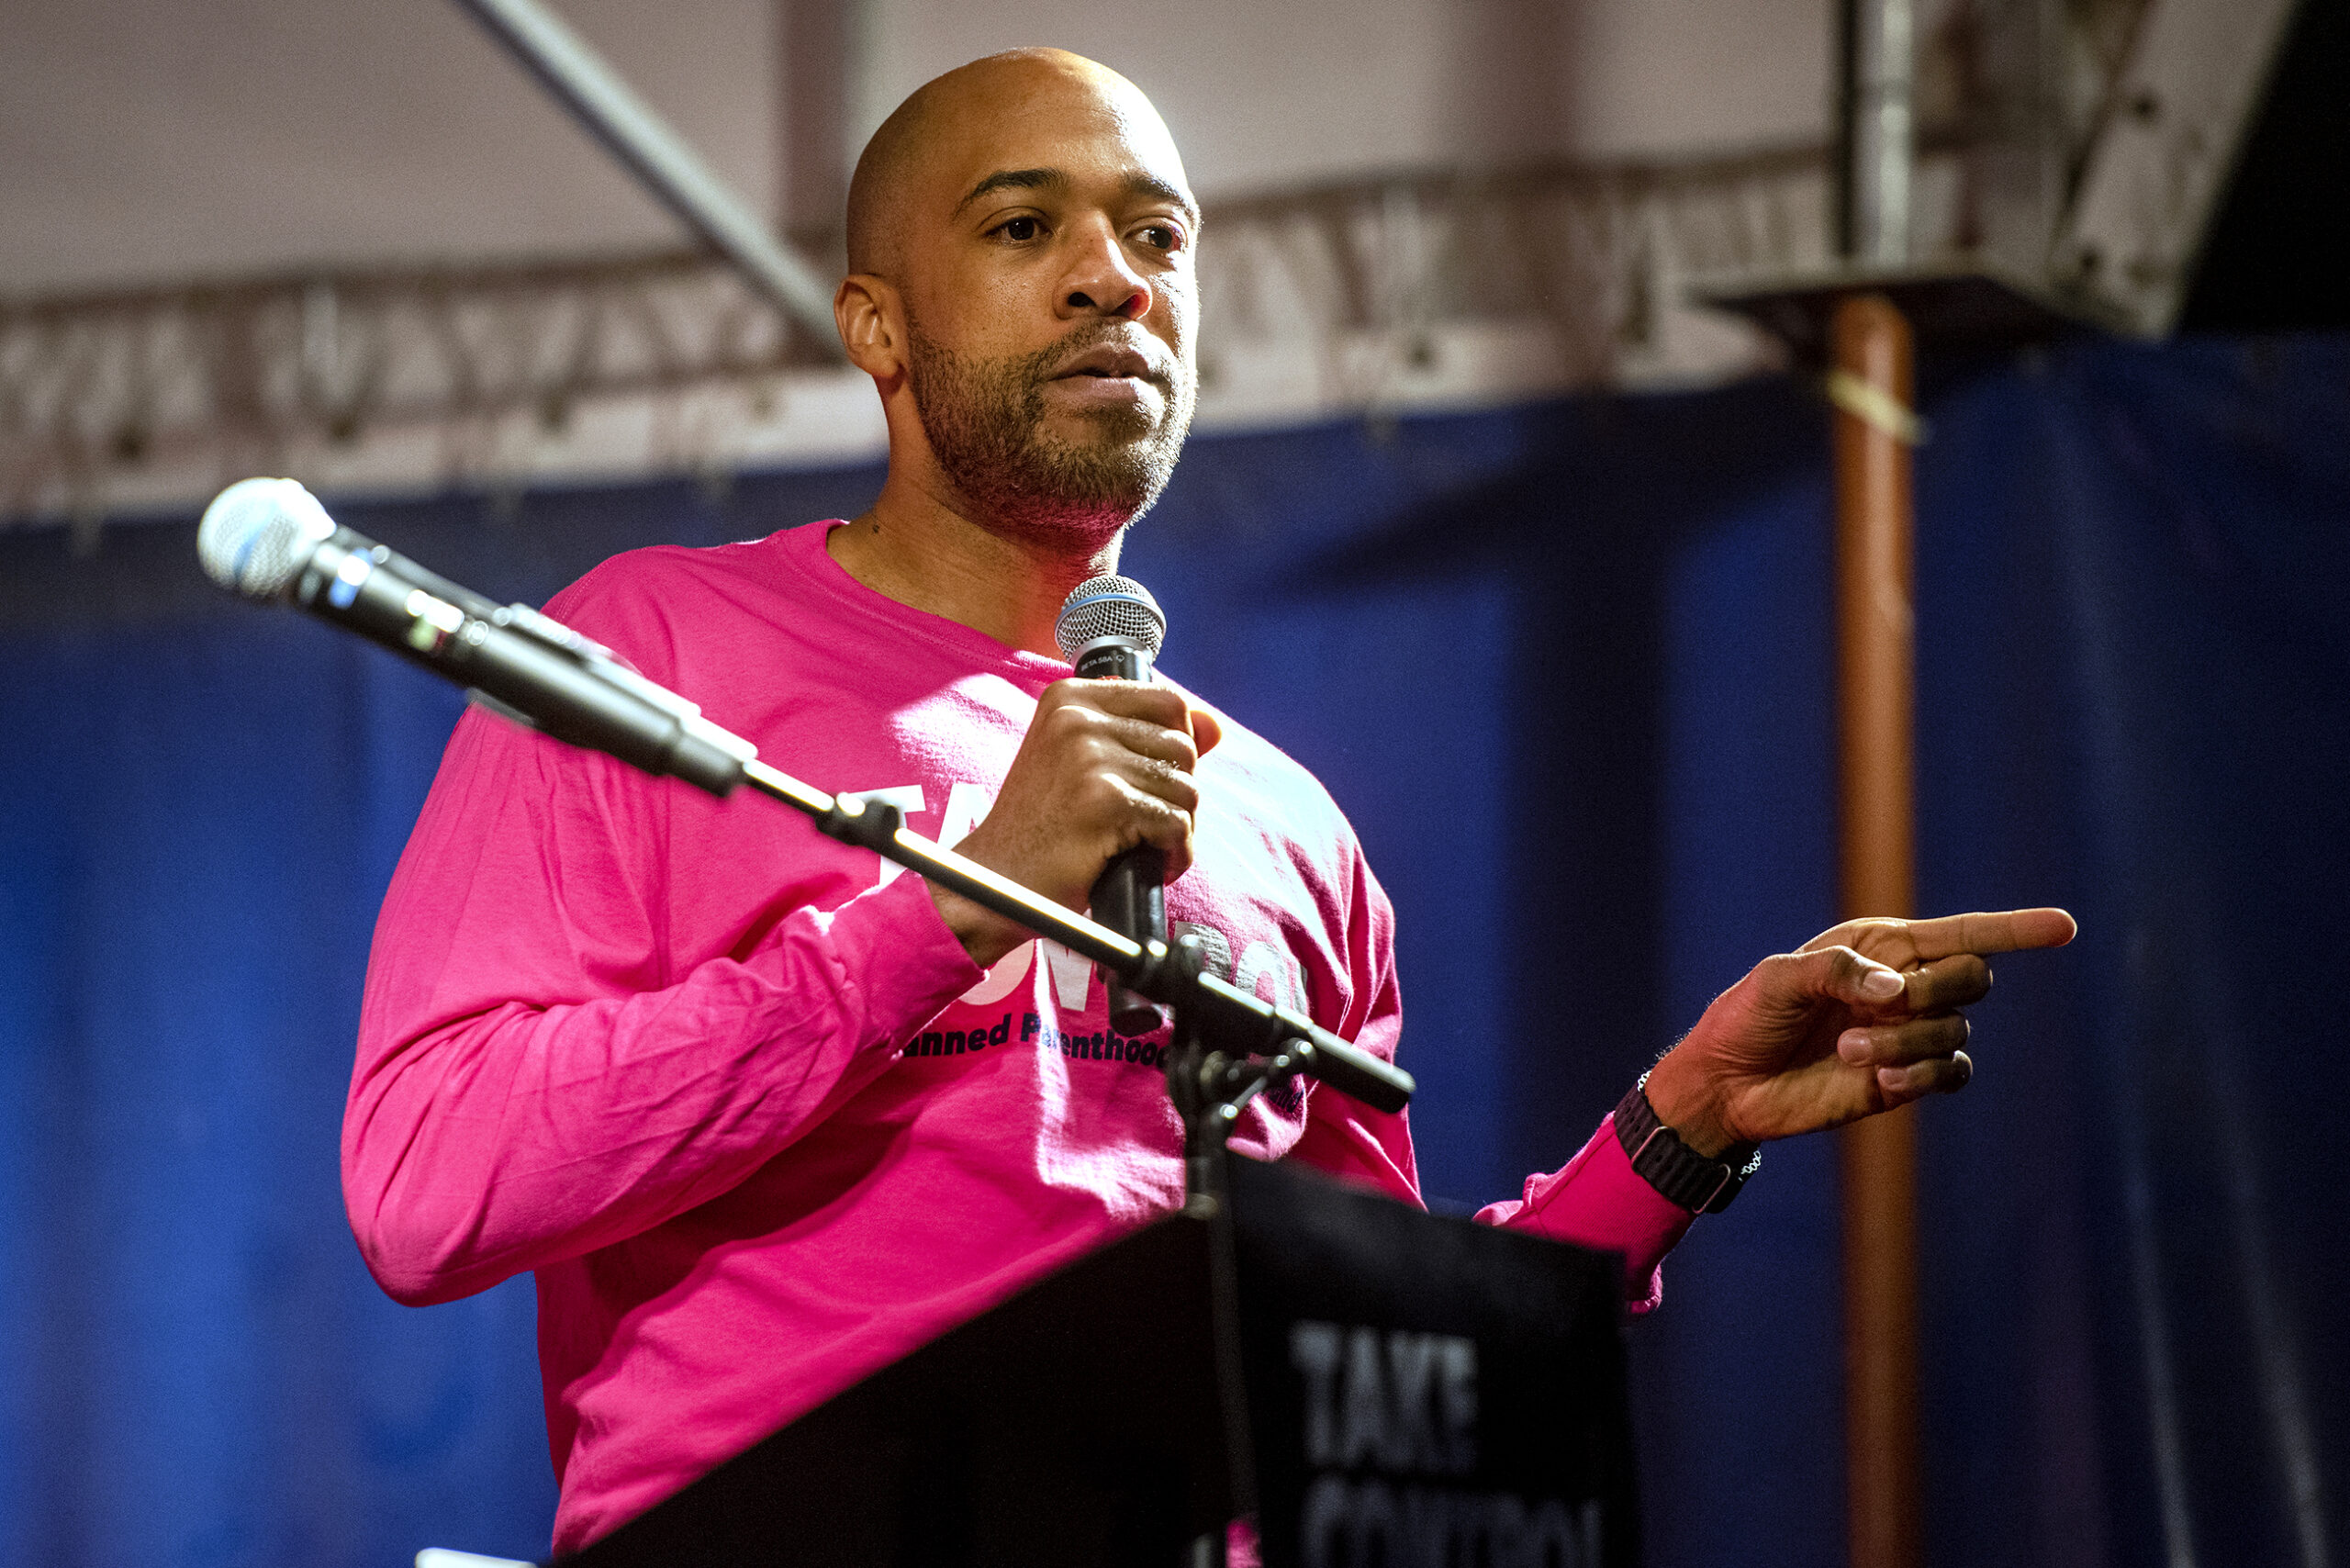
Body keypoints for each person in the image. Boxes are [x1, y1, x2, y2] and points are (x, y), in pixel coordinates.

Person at [343, 48, 2075, 1556]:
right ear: (876, 320)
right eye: (1026, 230)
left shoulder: (1278, 824)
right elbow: (429, 1187)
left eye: (1158, 236)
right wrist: (950, 905)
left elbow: (1359, 1352)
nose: (1114, 279)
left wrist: (1678, 1130)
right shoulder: (646, 651)